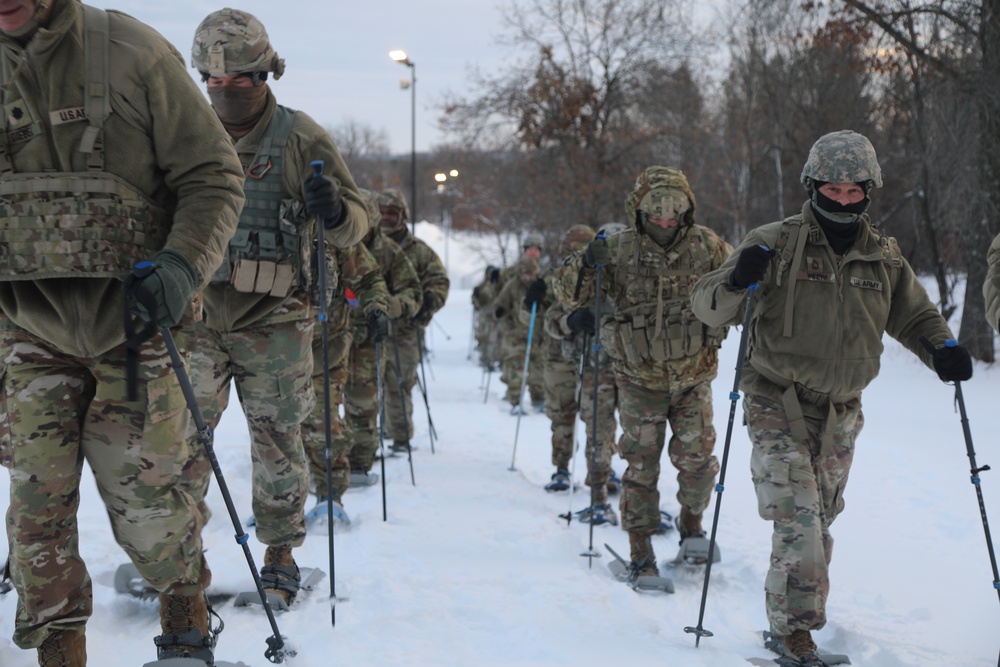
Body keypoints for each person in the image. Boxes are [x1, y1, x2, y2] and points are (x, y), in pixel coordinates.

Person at [0, 1, 245, 664]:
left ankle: (182, 605)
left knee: (148, 508)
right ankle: (60, 648)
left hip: (133, 329)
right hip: (27, 329)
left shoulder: (135, 53)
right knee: (35, 518)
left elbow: (214, 176)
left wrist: (182, 265)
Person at [690, 129, 972, 666]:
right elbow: (706, 305)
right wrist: (737, 280)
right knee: (798, 516)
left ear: (870, 190)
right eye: (832, 188)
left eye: (854, 190)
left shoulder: (883, 257)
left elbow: (914, 315)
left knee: (819, 521)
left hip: (842, 413)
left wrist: (942, 349)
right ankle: (795, 634)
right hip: (777, 399)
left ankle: (793, 619)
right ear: (812, 185)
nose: (843, 199)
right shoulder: (776, 242)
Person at [181, 8, 368, 608]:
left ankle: (281, 554)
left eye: (242, 80)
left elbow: (356, 225)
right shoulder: (184, 134)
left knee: (278, 442)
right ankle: (181, 563)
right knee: (181, 443)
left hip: (276, 319)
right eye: (215, 82)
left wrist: (333, 209)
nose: (228, 92)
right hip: (200, 318)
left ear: (267, 75)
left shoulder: (300, 137)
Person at [558, 166, 733, 577]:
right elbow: (569, 294)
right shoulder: (618, 249)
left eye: (673, 216)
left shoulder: (708, 246)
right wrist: (586, 264)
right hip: (639, 380)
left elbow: (736, 289)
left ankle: (692, 526)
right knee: (640, 467)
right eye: (656, 216)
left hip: (694, 378)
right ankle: (640, 550)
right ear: (639, 212)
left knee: (698, 464)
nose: (665, 224)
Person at [299, 195, 389, 523]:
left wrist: (377, 307)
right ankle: (274, 507)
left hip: (327, 346)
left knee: (322, 422)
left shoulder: (333, 233)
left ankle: (330, 494)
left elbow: (368, 278)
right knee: (271, 429)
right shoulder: (265, 221)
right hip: (269, 348)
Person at [340, 189, 422, 482]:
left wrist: (391, 308)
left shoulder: (389, 252)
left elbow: (414, 291)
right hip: (329, 334)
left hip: (368, 337)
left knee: (363, 401)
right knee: (317, 403)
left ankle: (360, 462)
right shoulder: (331, 244)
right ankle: (324, 464)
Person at [542, 224, 622, 515]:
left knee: (623, 430)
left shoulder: (630, 278)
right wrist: (572, 321)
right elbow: (550, 319)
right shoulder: (570, 279)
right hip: (586, 363)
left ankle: (606, 472)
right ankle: (571, 471)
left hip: (630, 366)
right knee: (587, 422)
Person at [378, 189, 450, 453]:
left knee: (398, 381)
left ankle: (400, 436)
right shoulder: (364, 245)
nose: (386, 218)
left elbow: (440, 282)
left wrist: (426, 303)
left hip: (405, 330)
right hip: (367, 327)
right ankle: (367, 438)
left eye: (391, 213)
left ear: (403, 216)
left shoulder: (419, 251)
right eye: (382, 212)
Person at [494, 256, 546, 414]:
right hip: (516, 335)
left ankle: (539, 398)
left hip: (537, 335)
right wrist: (501, 312)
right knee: (516, 370)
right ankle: (516, 401)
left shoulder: (541, 286)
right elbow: (501, 303)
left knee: (538, 371)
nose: (527, 278)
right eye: (523, 274)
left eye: (530, 274)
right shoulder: (512, 286)